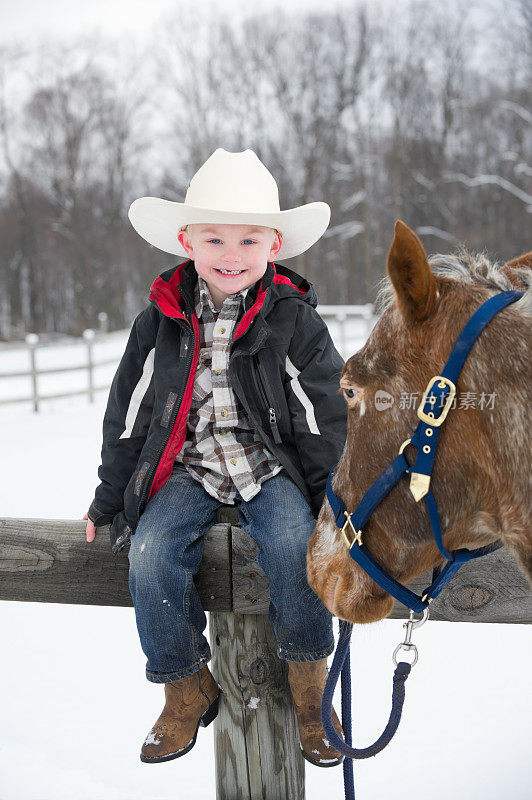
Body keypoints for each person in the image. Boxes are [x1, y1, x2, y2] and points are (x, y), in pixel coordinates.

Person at [83, 148, 347, 766]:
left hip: (266, 464)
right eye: (215, 239)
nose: (232, 256)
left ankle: (310, 688)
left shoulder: (293, 321)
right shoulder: (160, 322)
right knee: (149, 557)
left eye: (248, 240)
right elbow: (131, 414)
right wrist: (108, 498)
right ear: (187, 241)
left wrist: (334, 500)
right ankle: (184, 682)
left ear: (274, 246)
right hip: (190, 468)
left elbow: (321, 416)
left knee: (293, 548)